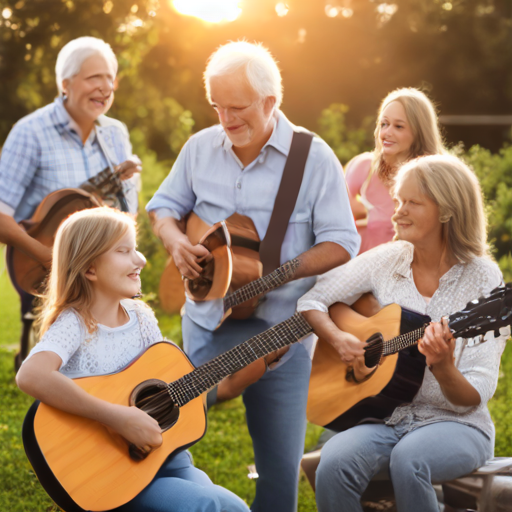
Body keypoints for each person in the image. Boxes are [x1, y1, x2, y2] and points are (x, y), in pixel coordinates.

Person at [146, 41, 360, 512]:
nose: (225, 119)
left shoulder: (313, 157)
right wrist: (175, 240)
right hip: (205, 324)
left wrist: (275, 277)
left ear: (270, 101)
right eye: (216, 106)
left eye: (237, 107)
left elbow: (344, 241)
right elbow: (163, 206)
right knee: (160, 444)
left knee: (279, 472)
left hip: (282, 336)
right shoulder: (200, 148)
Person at [297, 154, 509, 512]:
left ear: (446, 210)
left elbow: (474, 396)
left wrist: (442, 366)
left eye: (412, 202)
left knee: (410, 460)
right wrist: (339, 339)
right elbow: (312, 299)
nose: (397, 212)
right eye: (398, 201)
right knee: (332, 462)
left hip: (459, 425)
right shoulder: (388, 259)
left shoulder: (483, 279)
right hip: (389, 417)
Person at [16, 207, 250, 512]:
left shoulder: (140, 316)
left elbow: (169, 381)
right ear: (90, 269)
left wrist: (252, 362)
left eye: (136, 248)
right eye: (124, 251)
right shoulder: (75, 323)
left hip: (167, 458)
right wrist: (118, 418)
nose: (140, 259)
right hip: (110, 469)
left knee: (235, 508)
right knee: (205, 505)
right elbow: (31, 376)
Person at [0, 36, 141, 367]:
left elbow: (128, 210)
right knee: (56, 370)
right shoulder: (29, 132)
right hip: (48, 274)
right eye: (95, 77)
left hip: (105, 277)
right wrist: (55, 260)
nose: (106, 87)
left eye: (110, 77)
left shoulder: (115, 133)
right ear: (66, 83)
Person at [345, 88, 445, 253]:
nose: (386, 133)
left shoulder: (436, 181)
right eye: (384, 124)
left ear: (419, 132)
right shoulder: (362, 168)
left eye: (398, 126)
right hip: (357, 274)